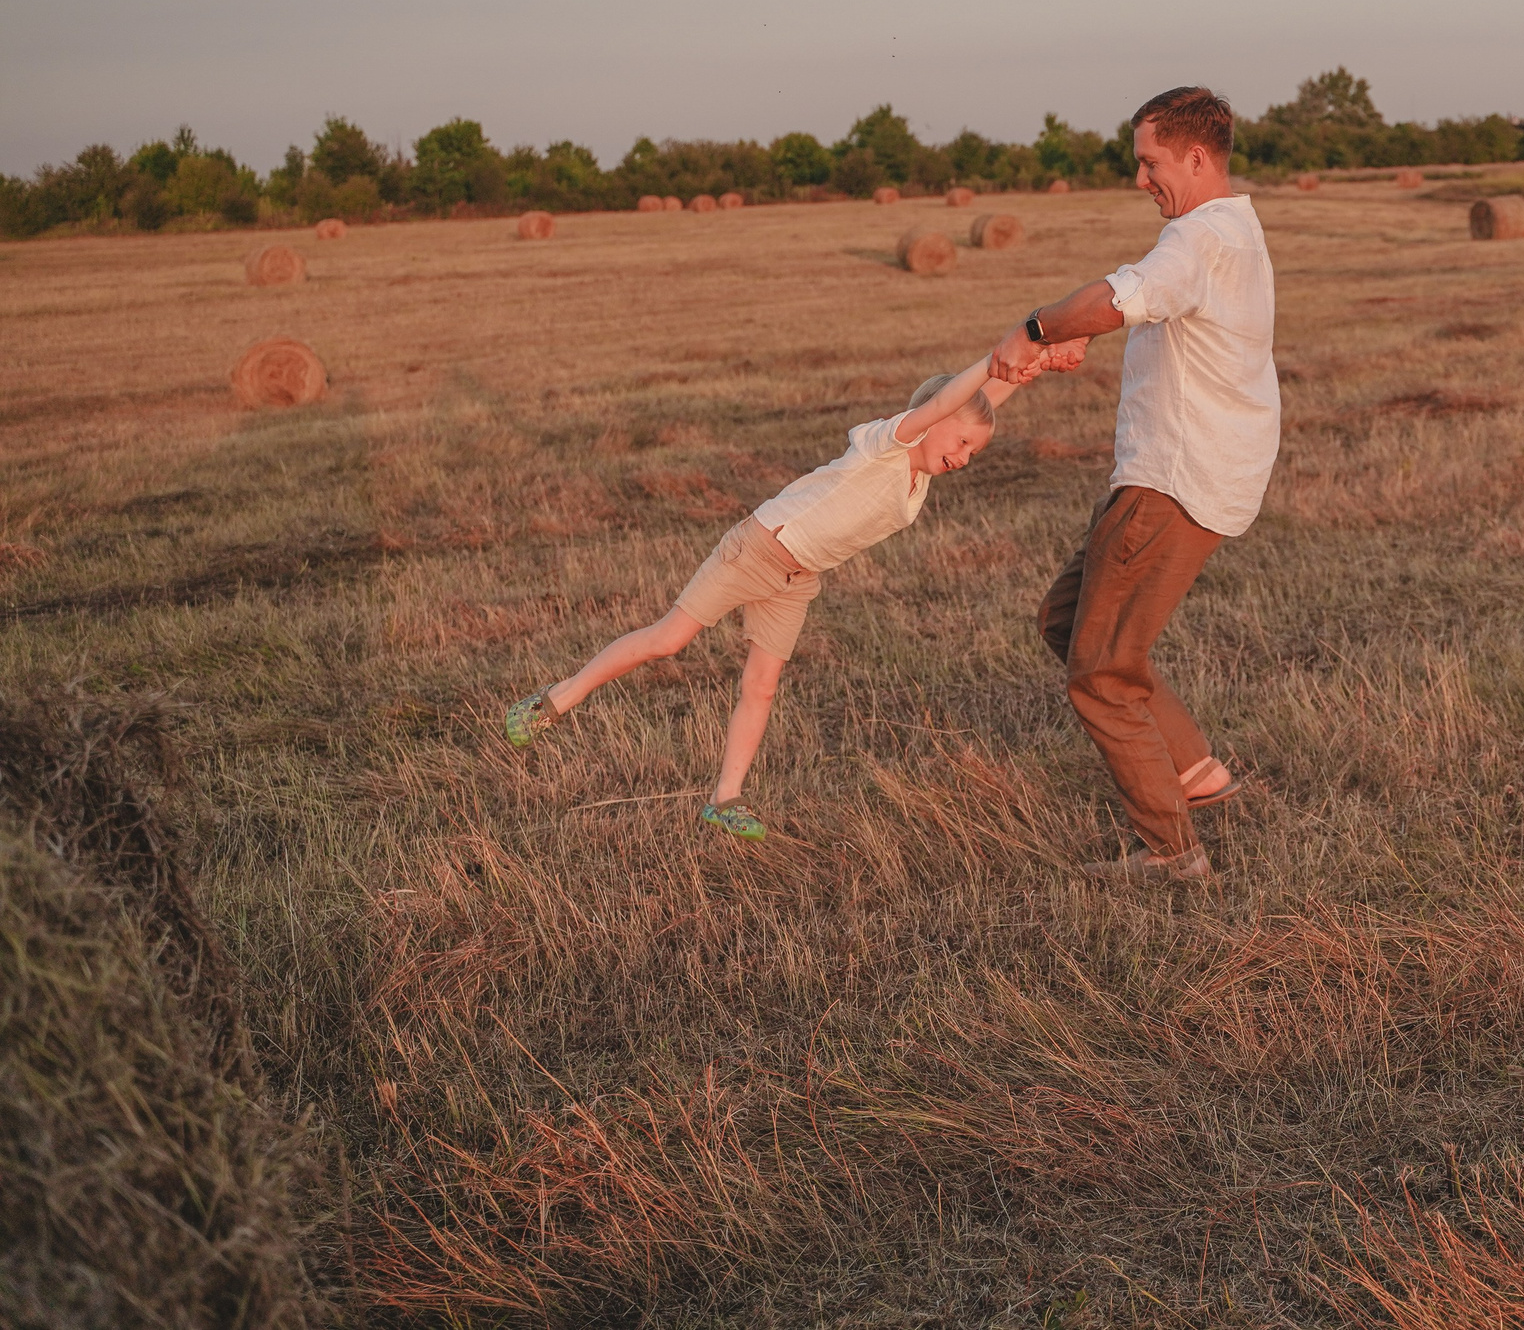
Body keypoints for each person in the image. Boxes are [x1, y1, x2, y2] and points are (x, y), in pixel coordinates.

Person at [502, 350, 1066, 838]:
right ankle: (552, 702)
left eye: (975, 452)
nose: (965, 458)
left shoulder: (920, 476)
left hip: (799, 579)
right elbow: (951, 404)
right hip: (758, 549)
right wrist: (1004, 347)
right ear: (929, 422)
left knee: (762, 686)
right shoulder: (886, 444)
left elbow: (976, 404)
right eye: (963, 444)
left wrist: (1024, 367)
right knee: (667, 641)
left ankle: (725, 801)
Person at [988, 86, 1279, 880]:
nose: (1140, 178)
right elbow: (1153, 315)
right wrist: (1089, 335)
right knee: (1065, 619)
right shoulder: (1232, 229)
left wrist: (1038, 327)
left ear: (1195, 156)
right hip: (1180, 472)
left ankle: (1172, 852)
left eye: (1150, 161)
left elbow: (1124, 297)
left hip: (1174, 482)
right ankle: (1194, 771)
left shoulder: (1200, 237)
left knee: (1100, 673)